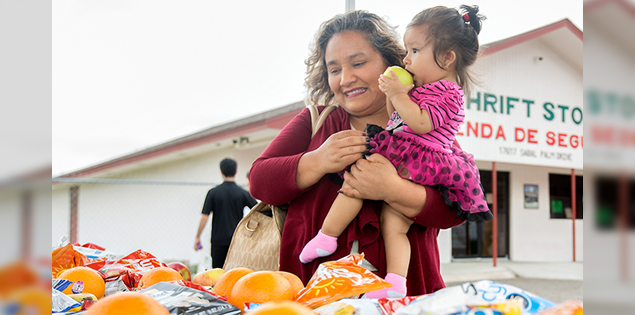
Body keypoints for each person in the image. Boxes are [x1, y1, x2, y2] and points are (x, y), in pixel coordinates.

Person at [249, 10, 466, 297]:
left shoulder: (428, 127)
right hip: (315, 296)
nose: (346, 78)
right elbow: (259, 182)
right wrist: (317, 160)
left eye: (358, 63)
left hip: (407, 297)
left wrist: (393, 189)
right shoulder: (316, 121)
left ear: (391, 64)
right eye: (334, 69)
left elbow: (457, 208)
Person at [299, 5, 493, 298]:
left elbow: (420, 122)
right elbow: (397, 119)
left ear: (447, 57)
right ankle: (391, 280)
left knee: (360, 183)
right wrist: (397, 97)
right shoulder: (419, 89)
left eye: (414, 50)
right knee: (388, 218)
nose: (407, 59)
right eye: (334, 69)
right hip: (407, 152)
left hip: (422, 161)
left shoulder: (450, 94)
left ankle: (329, 237)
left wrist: (397, 94)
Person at [194, 158, 257, 268]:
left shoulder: (213, 193)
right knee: (235, 272)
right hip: (237, 240)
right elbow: (259, 210)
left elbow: (205, 216)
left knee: (218, 273)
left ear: (221, 171)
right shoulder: (242, 193)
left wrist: (198, 237)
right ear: (236, 171)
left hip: (218, 241)